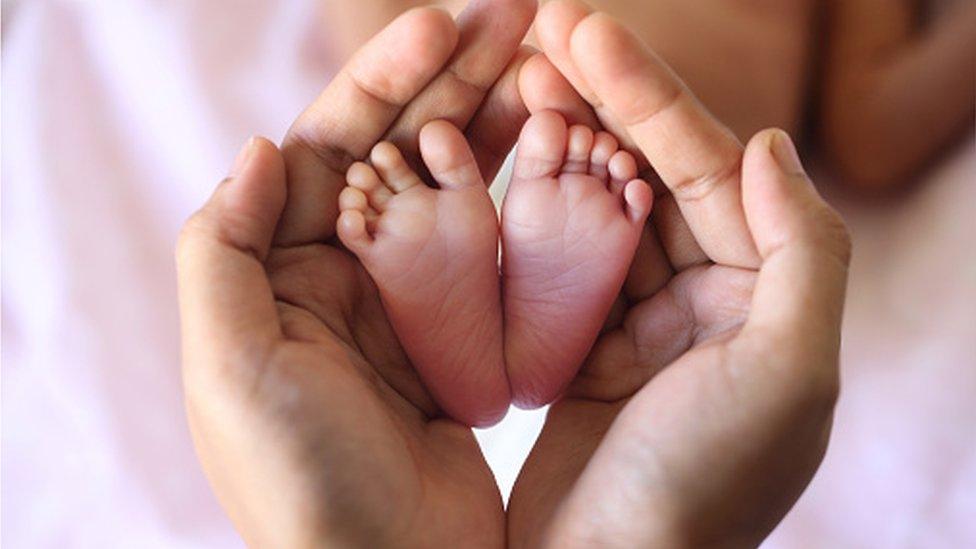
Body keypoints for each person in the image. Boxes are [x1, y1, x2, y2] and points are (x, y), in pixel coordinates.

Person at [176, 0, 852, 546]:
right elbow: (873, 117)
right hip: (663, 200)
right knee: (431, 63)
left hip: (585, 180)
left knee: (416, 78)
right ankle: (491, 274)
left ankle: (453, 253)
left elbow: (868, 125)